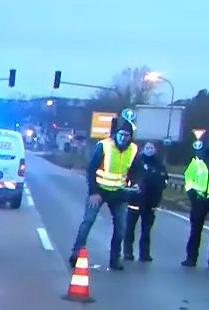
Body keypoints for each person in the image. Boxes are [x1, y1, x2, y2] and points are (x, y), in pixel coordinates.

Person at [71, 112, 138, 270]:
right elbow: (91, 169)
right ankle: (75, 253)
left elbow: (136, 169)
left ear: (130, 137)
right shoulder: (104, 145)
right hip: (100, 191)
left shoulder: (133, 150)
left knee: (120, 227)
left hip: (119, 192)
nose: (123, 138)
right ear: (116, 134)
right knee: (88, 222)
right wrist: (94, 192)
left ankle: (115, 260)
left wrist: (136, 183)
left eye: (127, 136)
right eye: (121, 135)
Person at [124, 140, 168, 263]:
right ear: (143, 149)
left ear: (155, 150)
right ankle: (128, 251)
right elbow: (129, 176)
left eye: (152, 148)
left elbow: (164, 180)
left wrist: (158, 189)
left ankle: (145, 253)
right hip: (135, 200)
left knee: (146, 230)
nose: (150, 150)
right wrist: (133, 185)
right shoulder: (137, 162)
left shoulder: (159, 165)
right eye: (147, 147)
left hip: (151, 202)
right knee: (130, 228)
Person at [187, 135, 209, 266]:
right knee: (195, 230)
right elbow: (188, 176)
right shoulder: (198, 159)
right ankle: (191, 258)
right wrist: (191, 193)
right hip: (199, 199)